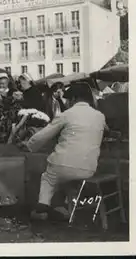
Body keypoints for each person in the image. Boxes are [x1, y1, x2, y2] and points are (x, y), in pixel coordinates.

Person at [24, 82, 106, 221]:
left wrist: (29, 145)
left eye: (68, 99)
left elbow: (43, 135)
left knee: (48, 178)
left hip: (63, 166)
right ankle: (64, 206)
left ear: (74, 99)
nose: (67, 102)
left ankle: (42, 210)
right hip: (88, 168)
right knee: (65, 177)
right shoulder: (100, 116)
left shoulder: (66, 115)